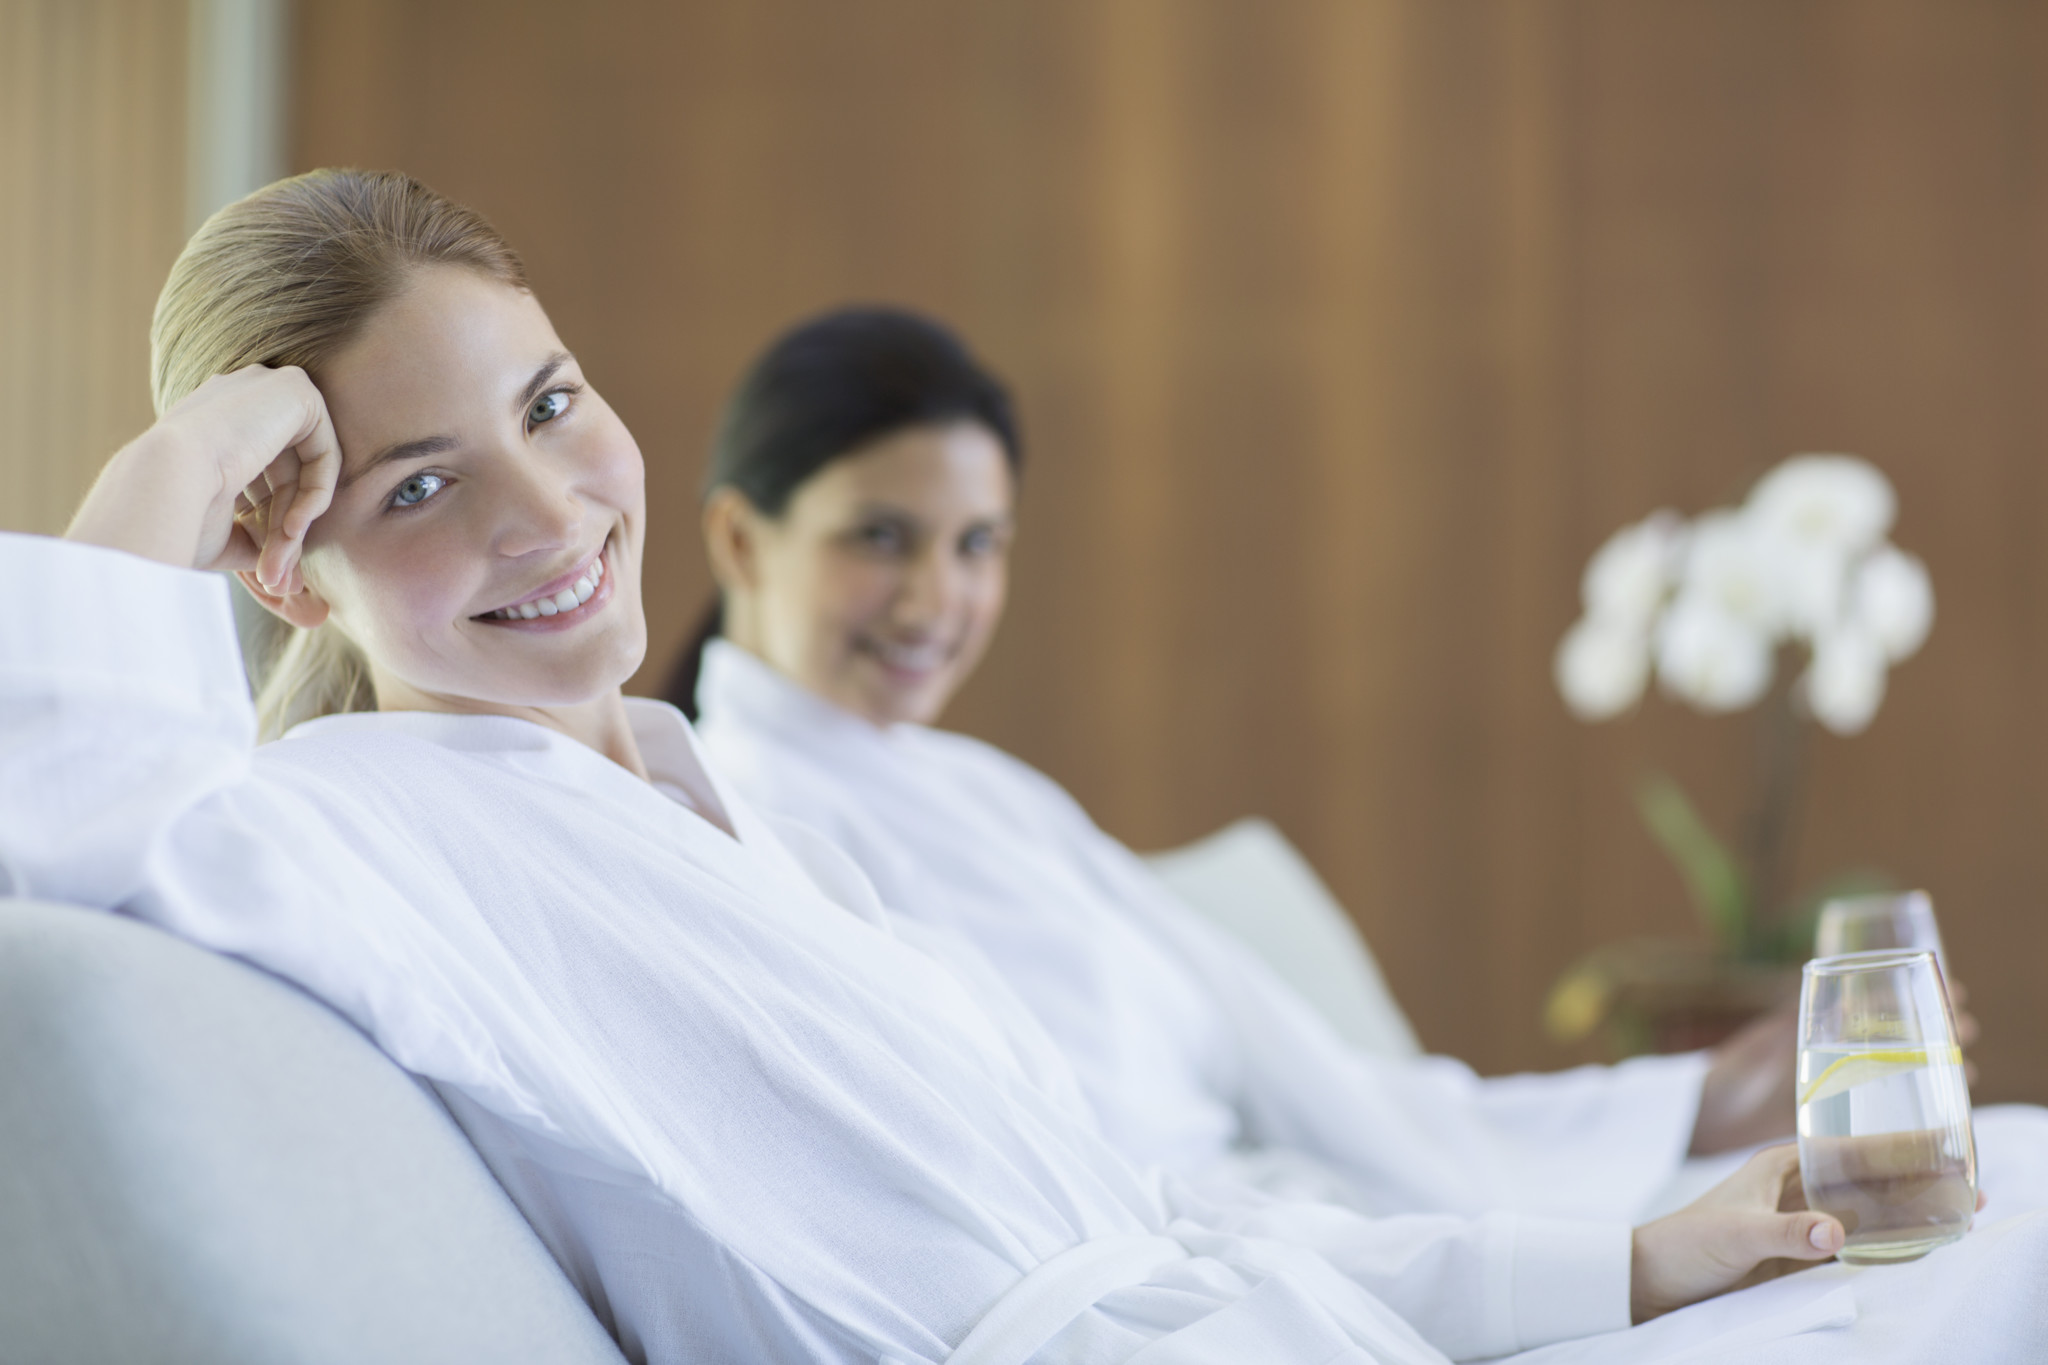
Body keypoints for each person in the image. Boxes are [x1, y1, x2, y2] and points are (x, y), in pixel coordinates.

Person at [2, 168, 1882, 1365]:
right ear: (280, 552)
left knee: (1932, 1251)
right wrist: (204, 437)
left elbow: (1157, 1225)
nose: (547, 509)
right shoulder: (368, 834)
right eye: (416, 484)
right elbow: (61, 830)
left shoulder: (750, 815)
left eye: (551, 403)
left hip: (1275, 1321)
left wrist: (1630, 1264)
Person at [679, 307, 2048, 1347]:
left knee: (2019, 1155)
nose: (938, 596)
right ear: (740, 541)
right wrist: (1617, 1256)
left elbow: (1316, 1075)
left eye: (978, 542)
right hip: (1256, 1276)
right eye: (882, 536)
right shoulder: (747, 838)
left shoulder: (967, 784)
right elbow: (1095, 1197)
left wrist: (1688, 1100)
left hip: (1337, 1215)